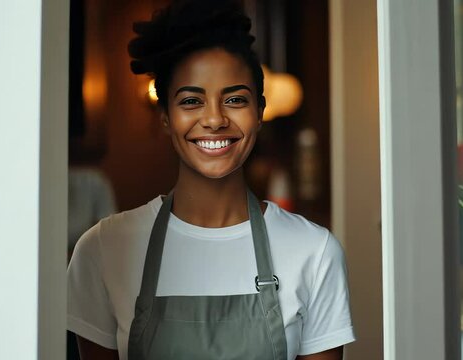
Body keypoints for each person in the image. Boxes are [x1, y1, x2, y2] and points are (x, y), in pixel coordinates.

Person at [66, 1, 355, 359]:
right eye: (191, 101)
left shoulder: (314, 252)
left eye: (234, 99)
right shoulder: (102, 250)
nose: (215, 120)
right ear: (166, 116)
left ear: (260, 112)